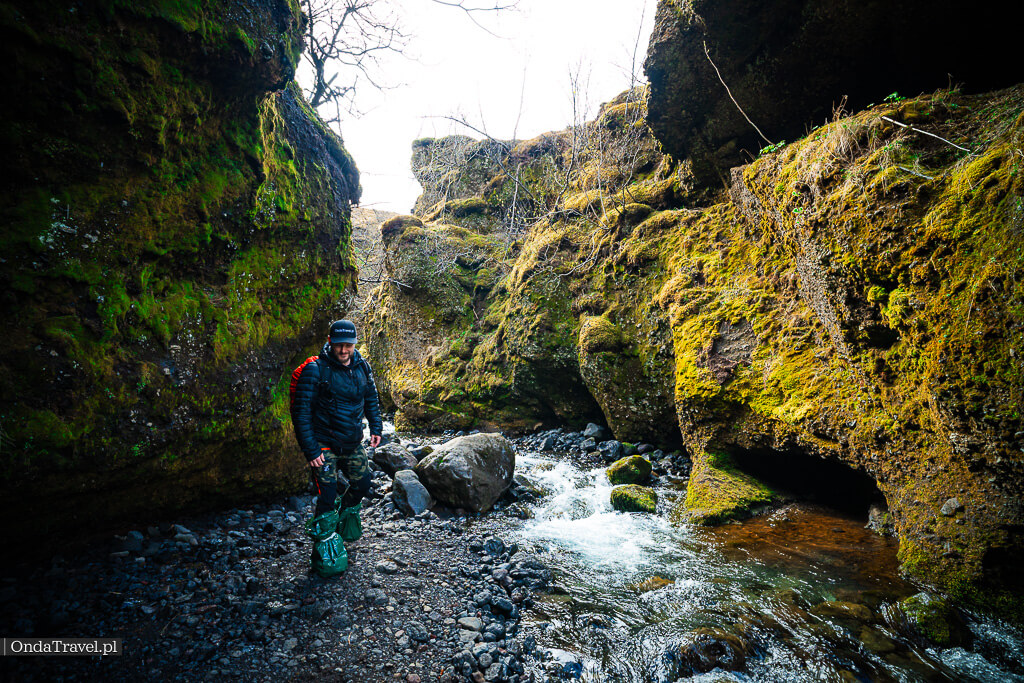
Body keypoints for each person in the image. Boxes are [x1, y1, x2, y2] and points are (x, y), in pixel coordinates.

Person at [291, 319, 383, 569]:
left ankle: (341, 520)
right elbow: (301, 412)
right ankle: (325, 550)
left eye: (348, 345)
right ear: (330, 342)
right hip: (323, 444)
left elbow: (371, 397)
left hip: (352, 441)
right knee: (327, 494)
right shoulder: (316, 370)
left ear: (355, 344)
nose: (343, 350)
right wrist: (311, 449)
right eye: (338, 345)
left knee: (363, 484)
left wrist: (376, 427)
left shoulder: (362, 366)